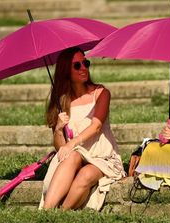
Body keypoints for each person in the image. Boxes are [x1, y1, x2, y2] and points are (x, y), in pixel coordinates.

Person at [39, 47, 125, 210]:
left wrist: (72, 144)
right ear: (66, 71)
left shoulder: (101, 93)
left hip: (102, 158)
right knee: (73, 156)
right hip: (75, 158)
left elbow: (96, 126)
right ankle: (47, 211)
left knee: (86, 174)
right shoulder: (60, 101)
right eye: (77, 65)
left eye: (85, 63)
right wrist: (58, 129)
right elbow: (61, 149)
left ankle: (60, 214)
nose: (84, 68)